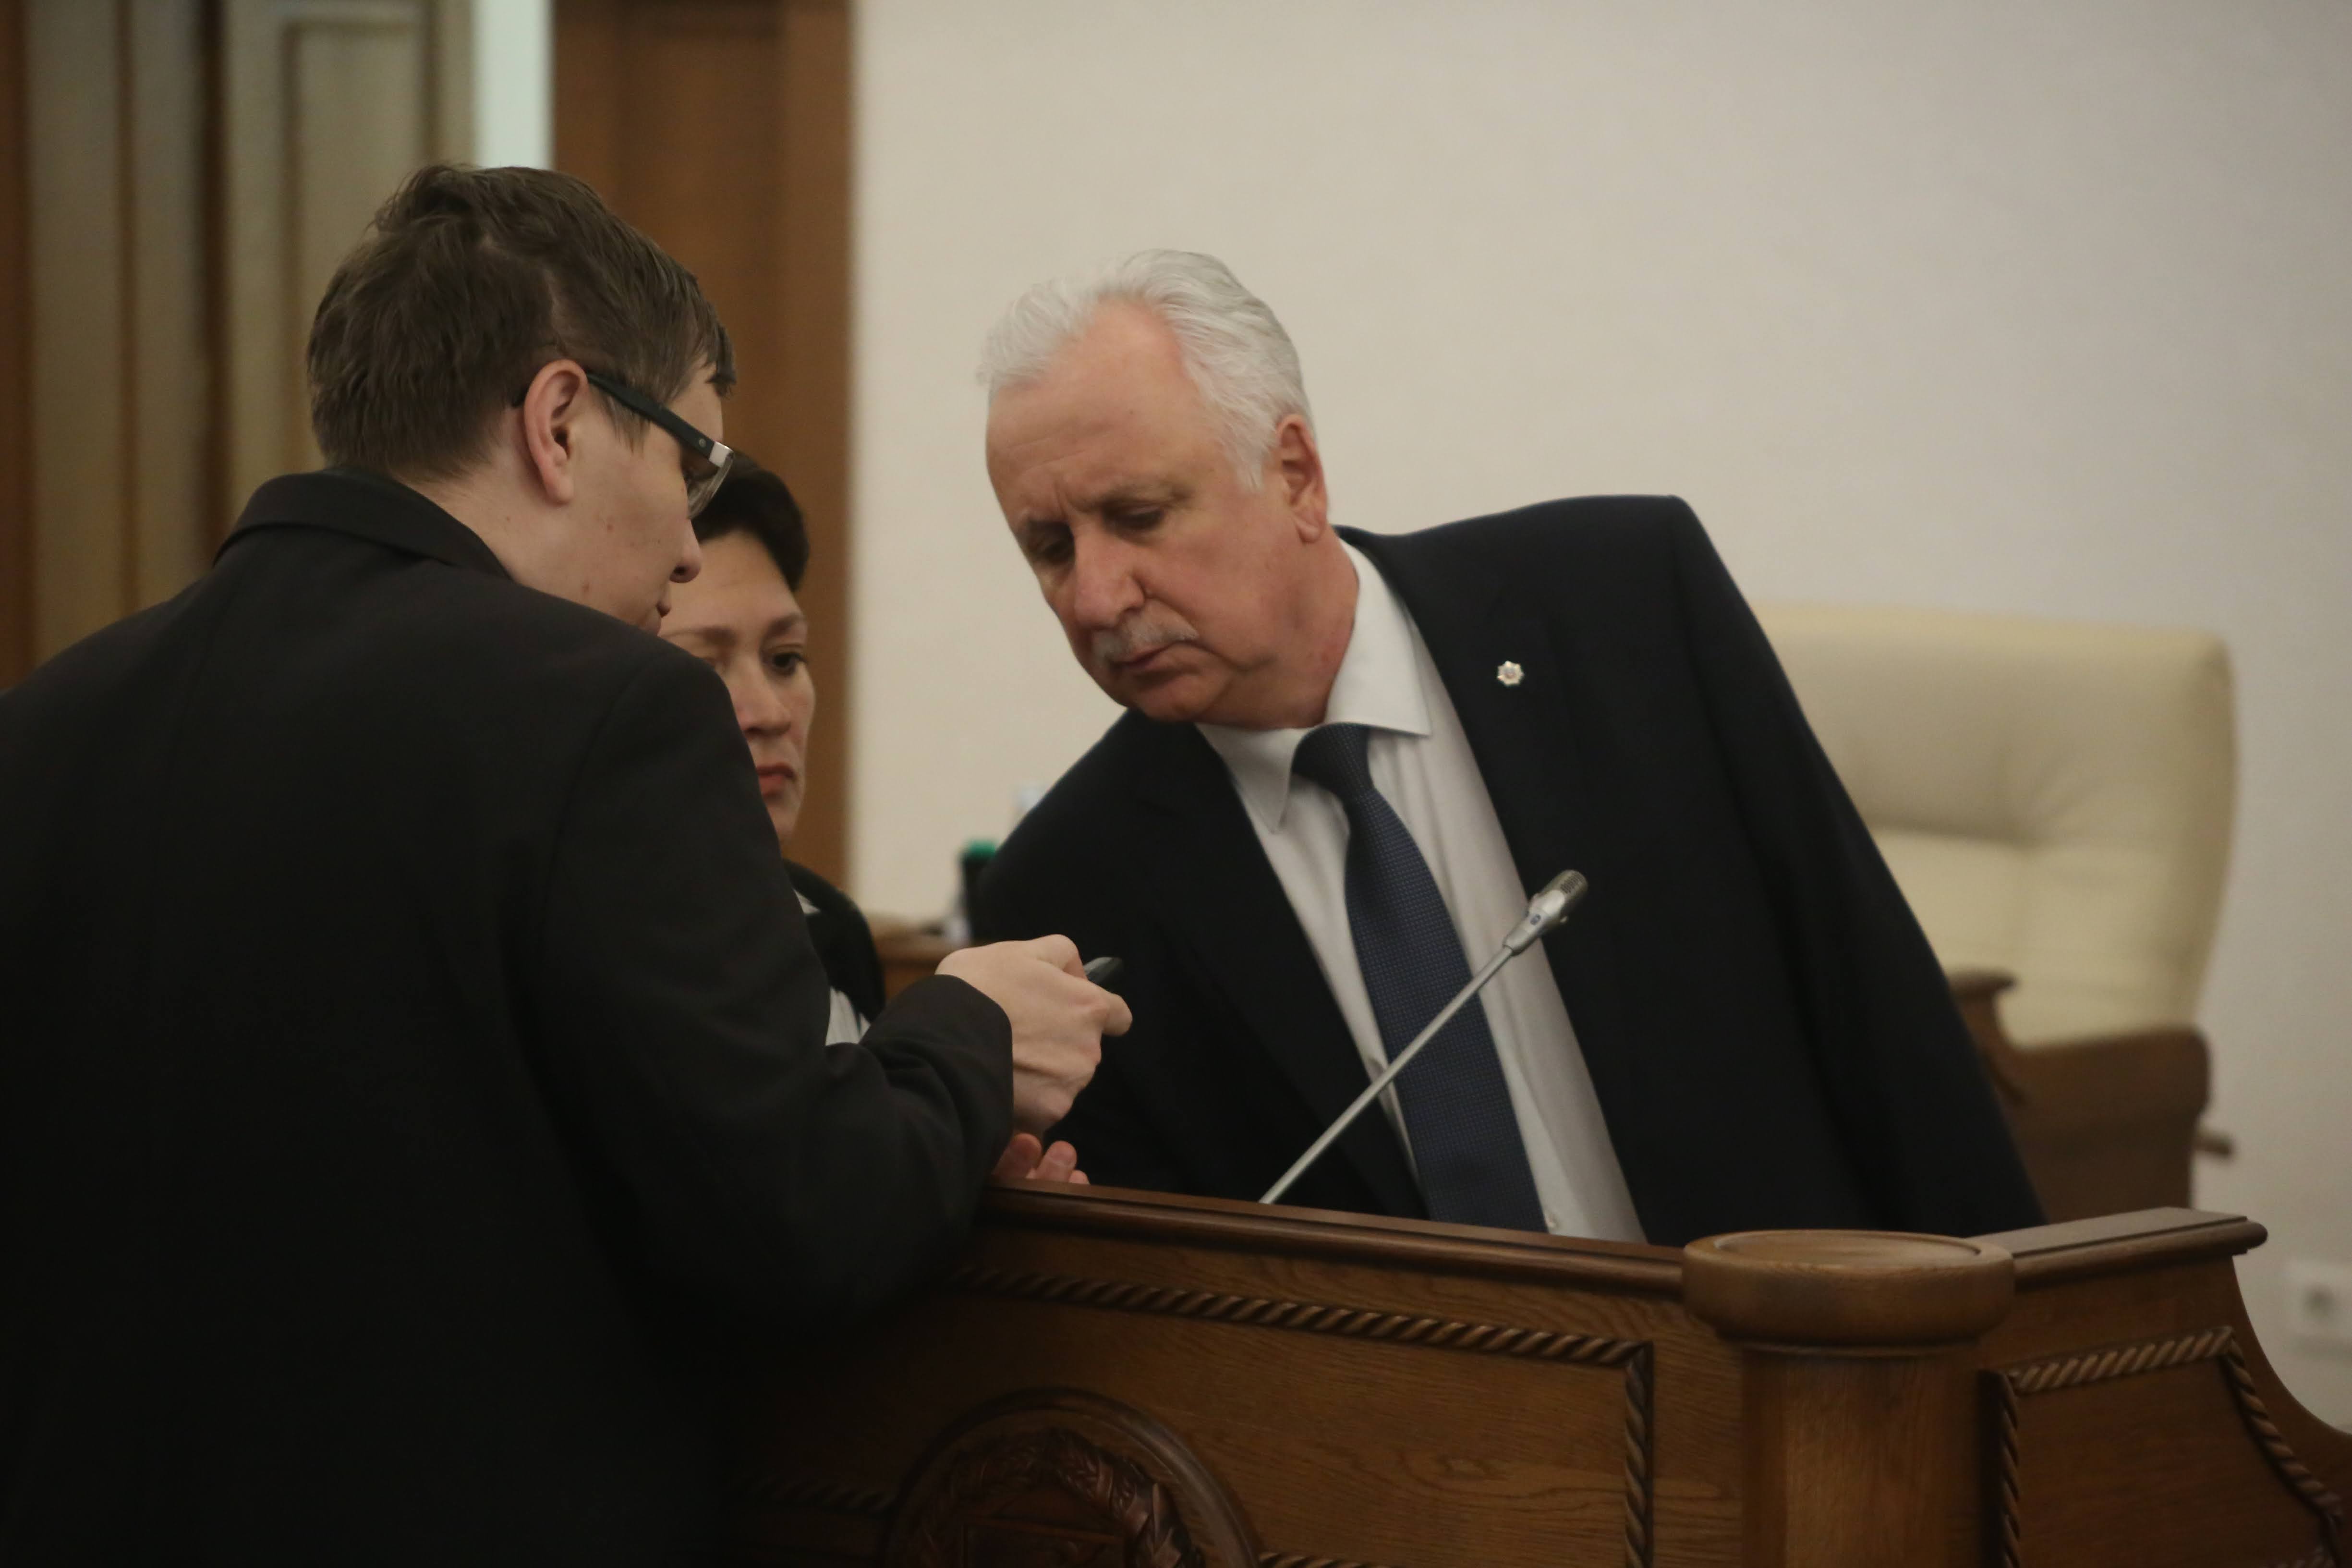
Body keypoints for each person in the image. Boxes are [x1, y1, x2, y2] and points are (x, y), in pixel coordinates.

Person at [0, 166, 1126, 1562]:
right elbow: (800, 1222)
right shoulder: (603, 711)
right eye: (691, 463)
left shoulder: (44, 725)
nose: (686, 545)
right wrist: (968, 1031)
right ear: (560, 422)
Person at [970, 250, 2041, 1248]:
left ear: (1294, 474)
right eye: (1050, 549)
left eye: (1139, 515)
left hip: (1785, 1347)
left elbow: (1875, 1007)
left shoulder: (1623, 609)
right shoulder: (1070, 885)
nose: (1096, 598)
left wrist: (2013, 1333)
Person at [659, 457, 1084, 1178]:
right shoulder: (600, 950)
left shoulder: (826, 925)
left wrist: (960, 1189)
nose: (770, 712)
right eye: (705, 668)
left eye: (785, 658)